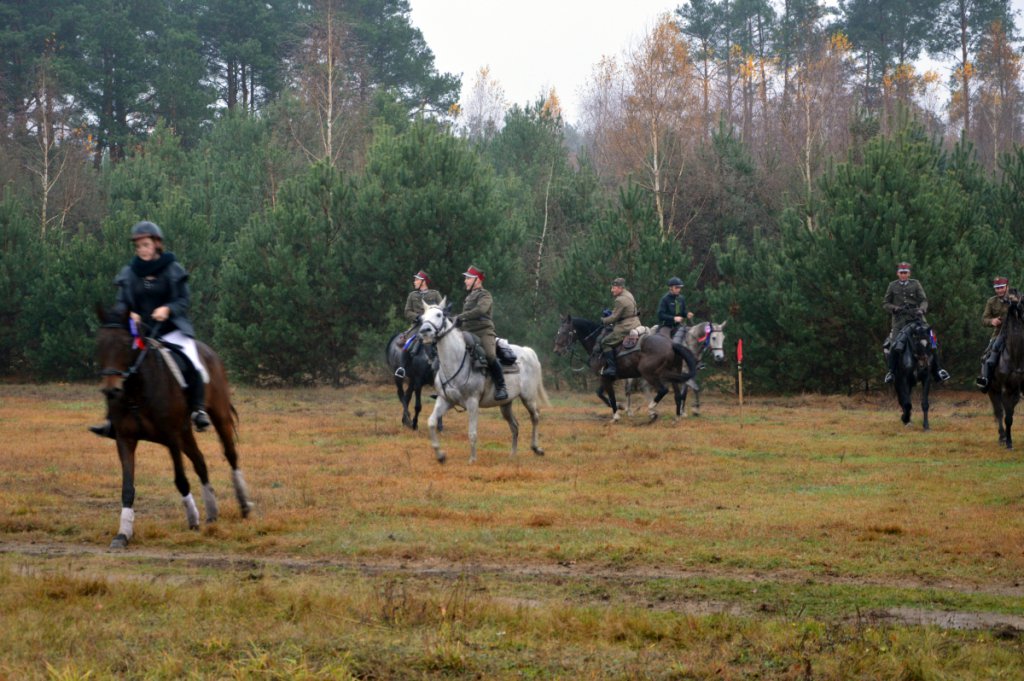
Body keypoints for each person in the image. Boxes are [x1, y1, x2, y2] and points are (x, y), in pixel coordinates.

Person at [90, 221, 210, 438]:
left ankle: (198, 411)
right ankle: (112, 420)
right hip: (141, 332)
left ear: (156, 244)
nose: (142, 250)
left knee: (193, 363)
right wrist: (128, 313)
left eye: (145, 245)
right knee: (117, 368)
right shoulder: (130, 272)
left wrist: (168, 309)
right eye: (138, 246)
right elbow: (120, 303)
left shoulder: (173, 268)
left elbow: (184, 300)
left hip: (172, 330)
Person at [881, 261, 949, 384]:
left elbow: (923, 300)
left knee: (932, 338)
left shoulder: (915, 284)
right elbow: (885, 303)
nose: (903, 275)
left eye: (905, 273)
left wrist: (921, 310)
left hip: (916, 317)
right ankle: (891, 372)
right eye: (901, 273)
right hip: (899, 320)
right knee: (894, 345)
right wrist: (894, 308)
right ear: (897, 273)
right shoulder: (892, 286)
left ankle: (939, 370)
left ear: (909, 273)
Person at [455, 265, 508, 401]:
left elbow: (480, 310)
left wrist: (460, 316)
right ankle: (448, 388)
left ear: (477, 280)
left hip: (483, 331)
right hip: (467, 331)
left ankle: (501, 386)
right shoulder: (469, 297)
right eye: (466, 278)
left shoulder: (485, 295)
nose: (465, 280)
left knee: (490, 355)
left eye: (468, 278)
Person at [599, 277, 641, 378]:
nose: (612, 290)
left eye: (614, 288)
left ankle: (612, 368)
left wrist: (603, 320)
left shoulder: (620, 299)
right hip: (636, 323)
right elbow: (621, 312)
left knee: (605, 342)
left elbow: (614, 318)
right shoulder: (629, 294)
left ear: (620, 288)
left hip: (625, 326)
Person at [976, 276, 1013, 391]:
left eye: (1001, 287)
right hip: (999, 333)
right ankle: (985, 381)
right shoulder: (991, 301)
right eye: (997, 288)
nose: (999, 290)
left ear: (1007, 287)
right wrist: (992, 321)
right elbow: (984, 319)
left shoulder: (1017, 298)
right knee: (988, 357)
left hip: (1017, 332)